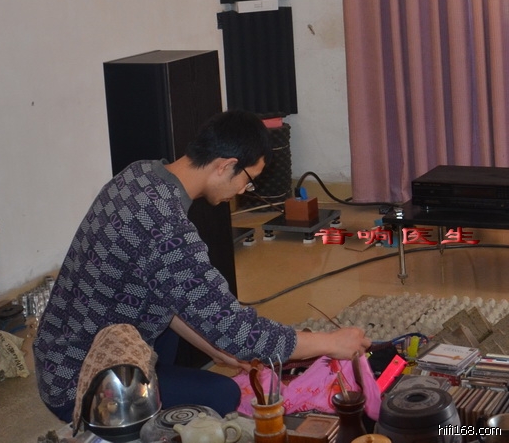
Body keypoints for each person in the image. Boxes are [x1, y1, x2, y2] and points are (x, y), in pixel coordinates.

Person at [33, 110, 371, 423]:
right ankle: (129, 425)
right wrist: (331, 342)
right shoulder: (167, 229)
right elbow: (240, 331)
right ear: (225, 166)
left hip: (59, 350)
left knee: (183, 323)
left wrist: (217, 349)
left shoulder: (138, 174)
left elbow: (167, 293)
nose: (244, 190)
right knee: (222, 395)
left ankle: (155, 396)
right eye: (248, 179)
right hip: (80, 382)